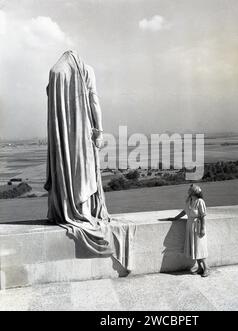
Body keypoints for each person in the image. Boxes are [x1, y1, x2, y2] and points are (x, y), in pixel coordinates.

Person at [44, 50, 136, 271]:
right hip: (83, 132)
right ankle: (84, 210)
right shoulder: (87, 71)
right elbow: (94, 100)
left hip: (63, 137)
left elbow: (51, 101)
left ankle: (72, 207)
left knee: (70, 170)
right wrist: (99, 131)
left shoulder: (55, 72)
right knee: (84, 170)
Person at [170, 184, 210, 277]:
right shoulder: (189, 200)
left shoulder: (200, 201)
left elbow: (203, 215)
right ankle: (200, 268)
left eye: (190, 189)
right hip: (190, 226)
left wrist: (203, 229)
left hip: (198, 226)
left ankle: (206, 268)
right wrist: (175, 218)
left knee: (200, 247)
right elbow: (184, 211)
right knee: (195, 248)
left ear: (194, 191)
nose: (188, 191)